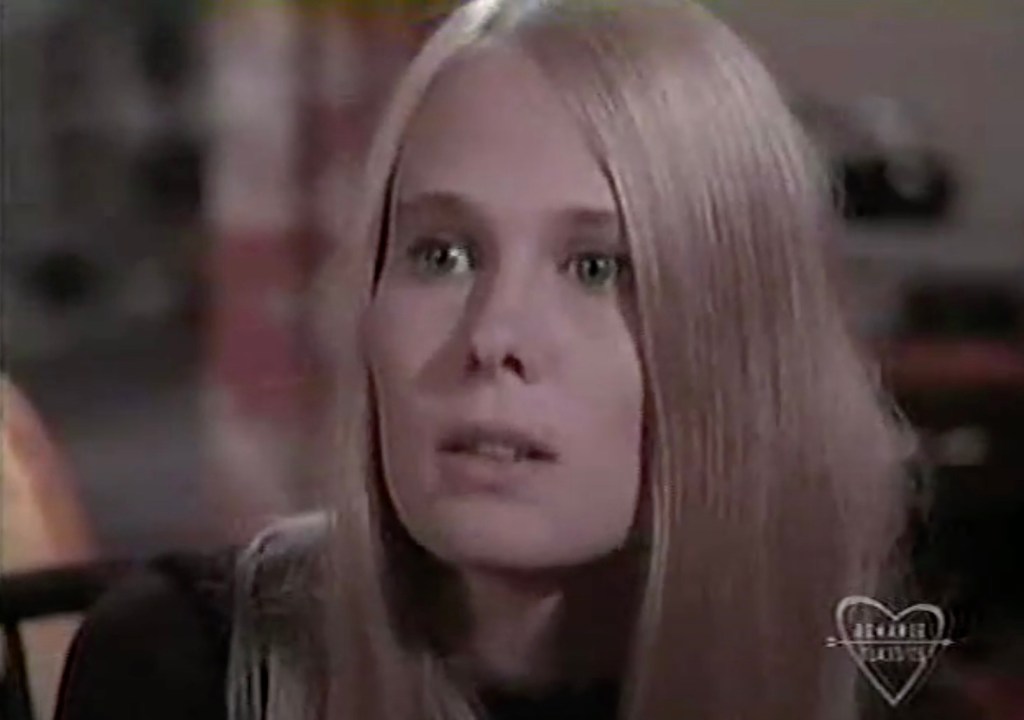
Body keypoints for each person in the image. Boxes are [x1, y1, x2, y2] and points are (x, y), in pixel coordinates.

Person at [54, 0, 912, 719]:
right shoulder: (180, 668)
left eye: (596, 267)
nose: (492, 335)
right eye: (443, 255)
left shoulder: (875, 678)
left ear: (742, 343)